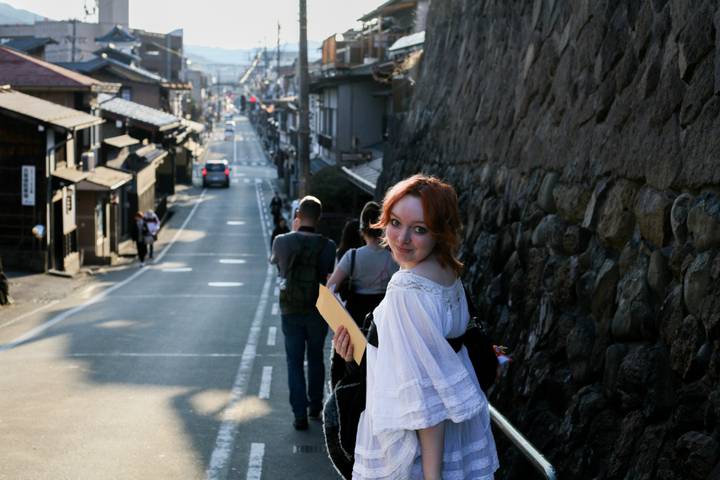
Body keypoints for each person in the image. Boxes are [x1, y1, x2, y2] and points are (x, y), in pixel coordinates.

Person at [333, 175, 499, 479]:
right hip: (452, 442)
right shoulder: (449, 273)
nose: (401, 238)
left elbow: (426, 401)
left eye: (419, 229)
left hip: (413, 452)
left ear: (440, 232)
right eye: (395, 222)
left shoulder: (407, 288)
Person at [271, 195, 337, 431]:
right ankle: (315, 407)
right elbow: (330, 275)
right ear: (319, 218)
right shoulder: (328, 246)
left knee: (294, 361)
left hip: (290, 309)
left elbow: (277, 265)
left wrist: (292, 230)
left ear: (298, 214)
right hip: (318, 309)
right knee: (316, 357)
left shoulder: (282, 241)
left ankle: (299, 414)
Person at [327, 201, 398, 387]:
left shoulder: (353, 256)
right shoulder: (393, 258)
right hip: (383, 319)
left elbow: (330, 289)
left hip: (355, 318)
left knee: (346, 366)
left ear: (362, 229)